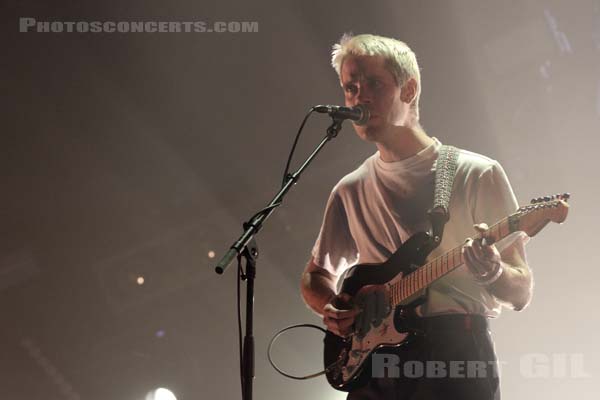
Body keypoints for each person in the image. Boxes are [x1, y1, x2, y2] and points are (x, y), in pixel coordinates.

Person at [300, 33, 533, 400]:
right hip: (373, 362)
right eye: (350, 87)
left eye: (374, 84)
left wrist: (493, 272)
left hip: (454, 355)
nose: (359, 96)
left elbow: (521, 290)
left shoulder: (477, 173)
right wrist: (332, 306)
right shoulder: (349, 189)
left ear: (409, 90)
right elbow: (315, 276)